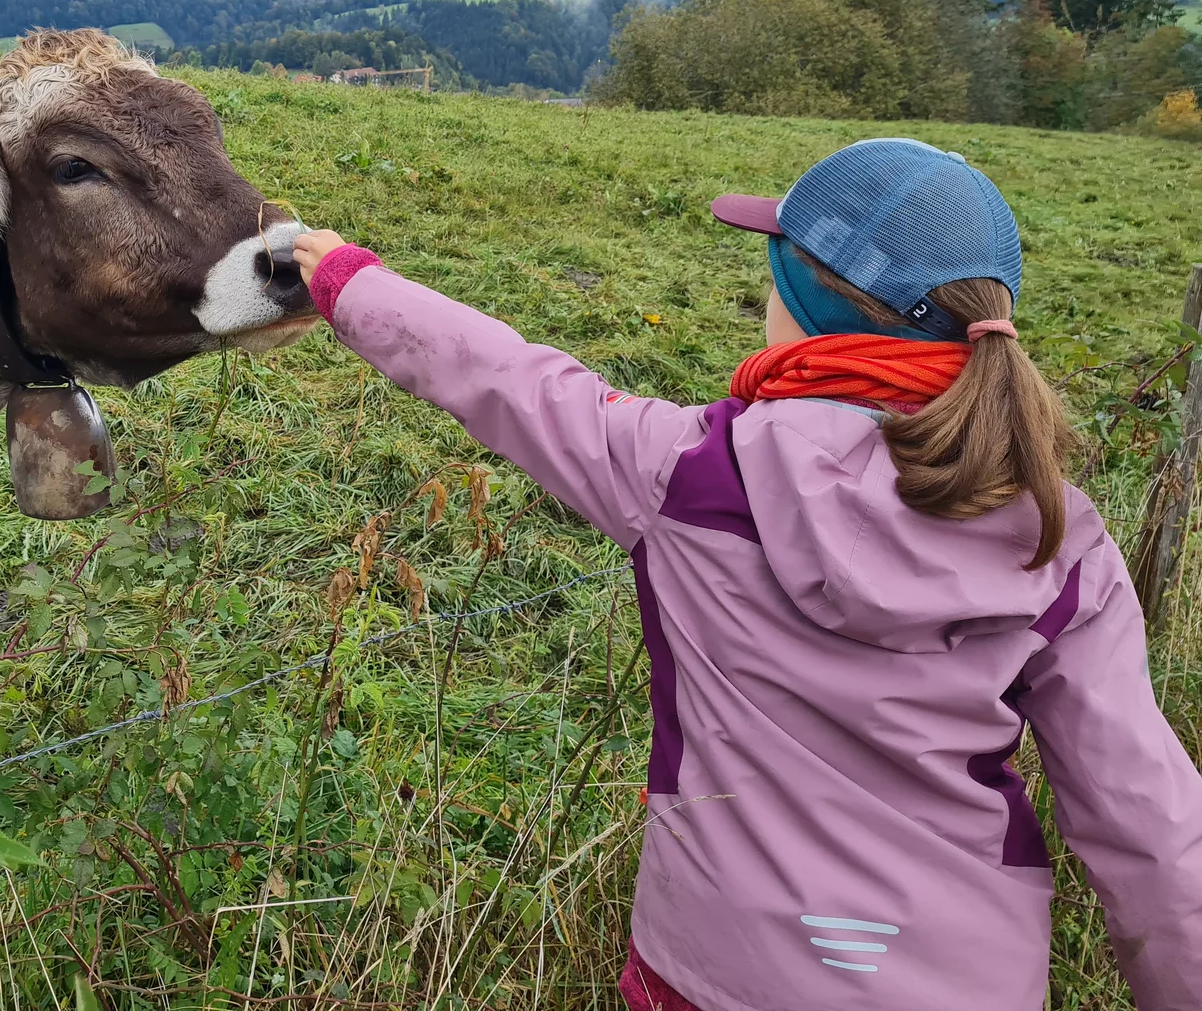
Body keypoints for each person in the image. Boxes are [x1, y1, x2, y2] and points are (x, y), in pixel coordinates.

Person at [289, 137, 1202, 1011]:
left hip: (717, 972)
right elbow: (1149, 824)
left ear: (804, 301)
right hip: (971, 982)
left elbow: (508, 378)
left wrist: (348, 284)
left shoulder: (684, 473)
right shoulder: (1060, 539)